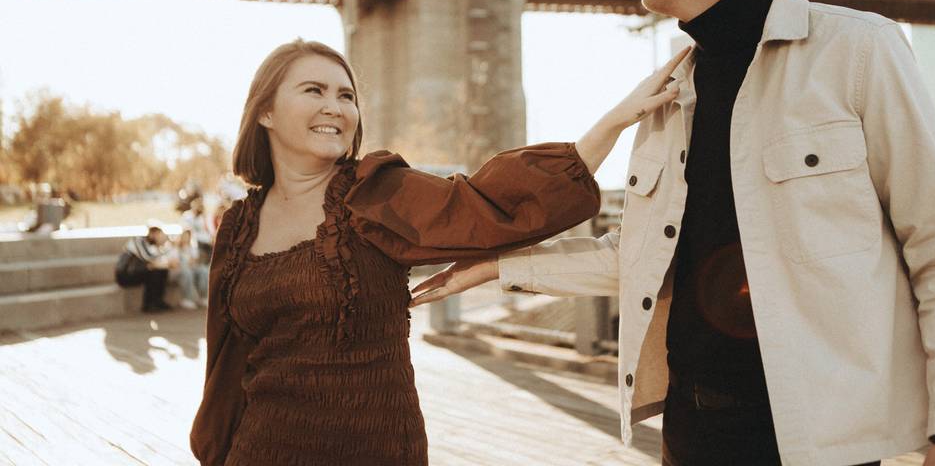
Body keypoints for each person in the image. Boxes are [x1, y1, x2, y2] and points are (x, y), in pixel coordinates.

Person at [411, 0, 935, 466]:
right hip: (689, 437)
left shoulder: (860, 52)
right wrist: (501, 267)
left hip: (819, 444)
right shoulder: (671, 95)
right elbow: (643, 253)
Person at [189, 39, 686, 465]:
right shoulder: (238, 226)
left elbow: (490, 206)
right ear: (266, 112)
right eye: (313, 90)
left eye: (346, 95)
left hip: (374, 450)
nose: (335, 107)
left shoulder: (374, 195)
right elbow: (226, 361)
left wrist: (611, 125)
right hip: (260, 449)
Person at [115, 219, 173, 313]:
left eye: (158, 233)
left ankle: (158, 301)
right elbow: (147, 258)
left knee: (162, 271)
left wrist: (161, 249)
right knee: (155, 272)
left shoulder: (152, 246)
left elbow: (157, 261)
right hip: (125, 274)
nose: (156, 235)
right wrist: (161, 248)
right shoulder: (138, 240)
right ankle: (149, 304)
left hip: (139, 272)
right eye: (154, 232)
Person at [171, 228, 208, 309]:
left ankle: (203, 297)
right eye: (184, 236)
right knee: (187, 272)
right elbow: (175, 262)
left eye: (188, 236)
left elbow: (194, 261)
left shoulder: (192, 248)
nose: (186, 238)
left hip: (191, 268)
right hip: (180, 270)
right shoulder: (175, 248)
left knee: (204, 270)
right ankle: (187, 299)